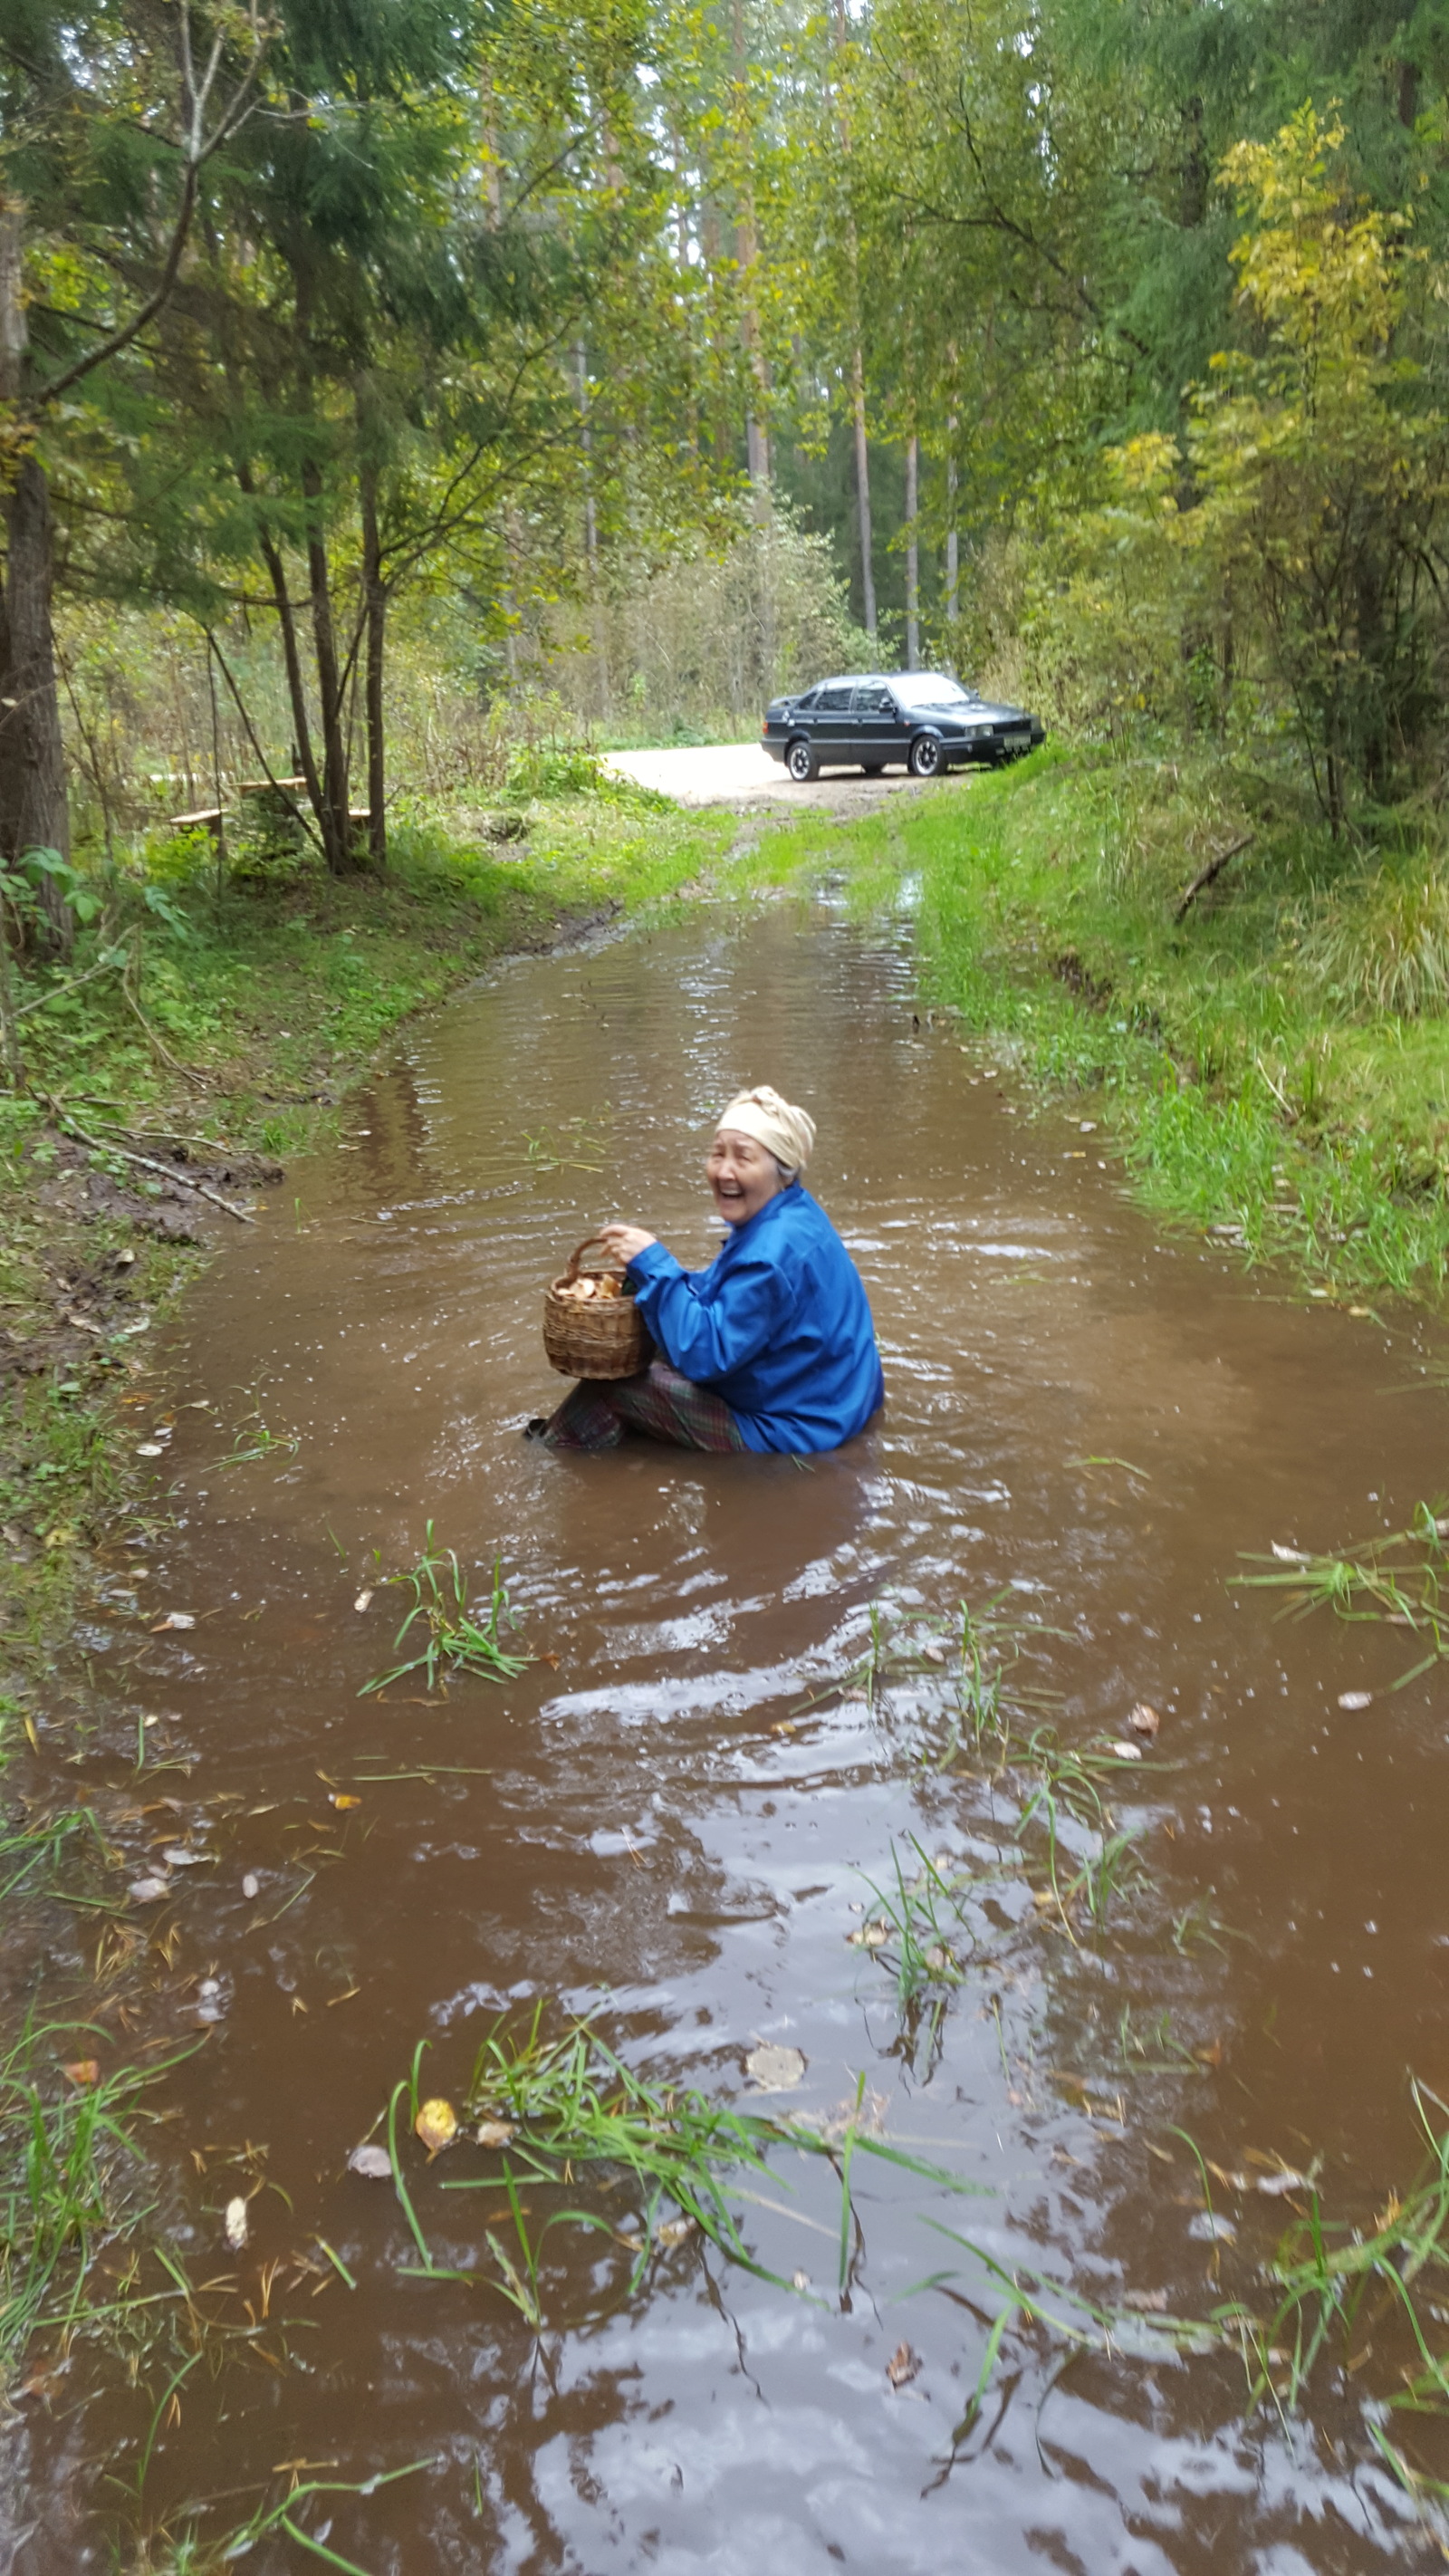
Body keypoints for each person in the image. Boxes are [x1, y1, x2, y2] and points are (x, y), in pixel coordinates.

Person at [530, 1084, 884, 1455]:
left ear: (782, 1172)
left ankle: (544, 1461)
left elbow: (704, 1356)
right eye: (718, 1154)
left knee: (613, 1389)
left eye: (743, 1158)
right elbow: (726, 1297)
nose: (724, 1171)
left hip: (796, 1428)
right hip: (842, 1398)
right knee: (654, 1333)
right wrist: (649, 1280)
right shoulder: (795, 1214)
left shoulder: (769, 1255)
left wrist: (652, 1262)